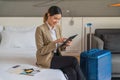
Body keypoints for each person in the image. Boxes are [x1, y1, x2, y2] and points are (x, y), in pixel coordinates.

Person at [35, 6, 85, 80]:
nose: (57, 21)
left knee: (72, 72)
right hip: (47, 58)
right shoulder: (40, 29)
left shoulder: (58, 27)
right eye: (55, 18)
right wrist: (55, 42)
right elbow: (41, 51)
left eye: (59, 19)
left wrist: (65, 44)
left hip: (57, 56)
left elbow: (59, 47)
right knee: (74, 60)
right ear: (48, 15)